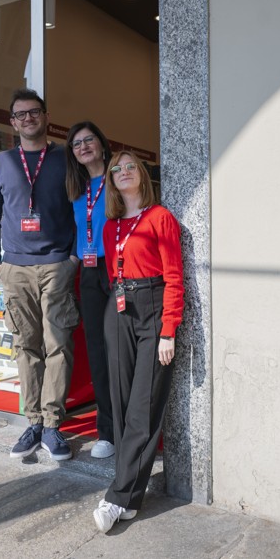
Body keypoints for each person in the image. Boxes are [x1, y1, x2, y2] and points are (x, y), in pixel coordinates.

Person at [0, 88, 80, 461]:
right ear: (12, 123)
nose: (28, 119)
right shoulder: (3, 162)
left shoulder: (64, 158)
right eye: (20, 114)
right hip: (16, 269)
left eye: (34, 112)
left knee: (58, 346)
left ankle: (53, 425)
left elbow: (79, 210)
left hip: (56, 265)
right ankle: (34, 422)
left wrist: (72, 258)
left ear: (46, 117)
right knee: (27, 347)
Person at [92, 150, 184, 533]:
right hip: (118, 307)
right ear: (111, 180)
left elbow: (175, 277)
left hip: (151, 306)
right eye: (117, 168)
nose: (124, 172)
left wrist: (168, 330)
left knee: (143, 406)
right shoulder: (111, 225)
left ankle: (118, 497)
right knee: (121, 399)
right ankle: (129, 496)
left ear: (142, 176)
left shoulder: (160, 218)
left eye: (131, 166)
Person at [65, 121, 116, 460]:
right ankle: (107, 431)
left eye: (89, 140)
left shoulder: (117, 177)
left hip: (118, 269)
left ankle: (130, 426)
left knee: (121, 347)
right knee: (97, 350)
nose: (83, 146)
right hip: (88, 271)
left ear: (101, 143)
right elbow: (75, 231)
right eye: (77, 143)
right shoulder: (75, 188)